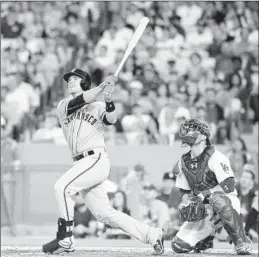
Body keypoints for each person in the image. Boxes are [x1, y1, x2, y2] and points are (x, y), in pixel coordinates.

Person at [42, 68, 164, 255]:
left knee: (62, 187)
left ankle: (65, 237)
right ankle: (152, 235)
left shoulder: (97, 105)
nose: (71, 82)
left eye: (76, 79)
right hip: (81, 163)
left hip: (95, 159)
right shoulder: (63, 105)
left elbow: (112, 119)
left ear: (85, 82)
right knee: (104, 213)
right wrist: (102, 86)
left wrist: (108, 100)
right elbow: (81, 100)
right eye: (69, 80)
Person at [171, 118, 252, 255]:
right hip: (203, 208)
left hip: (227, 202)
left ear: (203, 136)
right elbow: (183, 190)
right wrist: (187, 203)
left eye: (193, 130)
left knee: (217, 199)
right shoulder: (182, 162)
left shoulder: (217, 157)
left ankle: (240, 240)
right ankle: (206, 239)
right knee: (179, 246)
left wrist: (204, 195)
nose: (188, 131)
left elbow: (228, 186)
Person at [236, 164, 258, 241]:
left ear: (252, 181)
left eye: (247, 178)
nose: (244, 180)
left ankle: (245, 232)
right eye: (243, 177)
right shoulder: (235, 189)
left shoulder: (255, 192)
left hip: (251, 226)